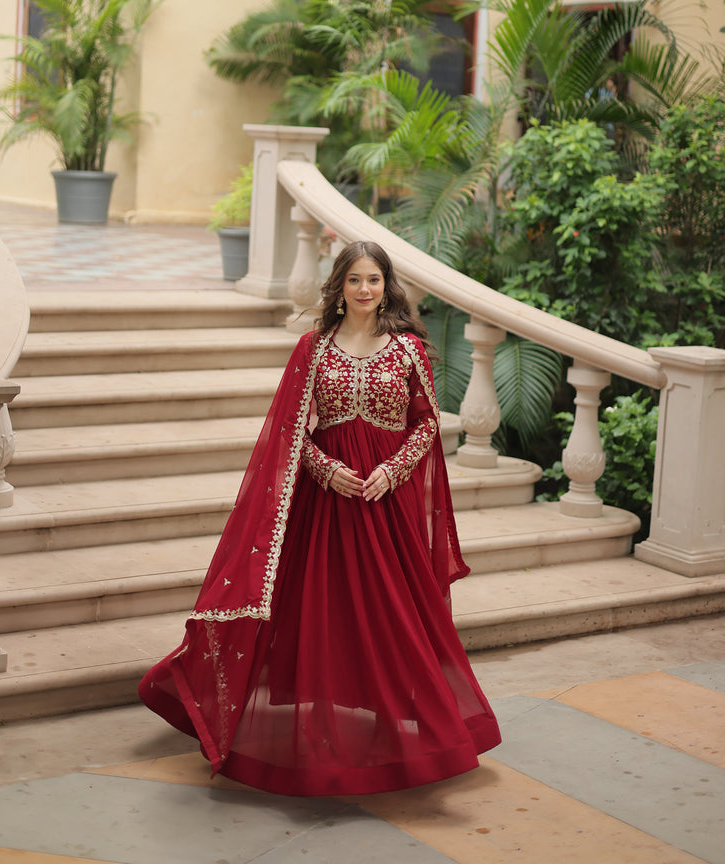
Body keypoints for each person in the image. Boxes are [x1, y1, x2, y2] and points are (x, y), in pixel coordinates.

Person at [138, 240, 501, 795]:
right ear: (340, 286)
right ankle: (316, 730)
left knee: (395, 613)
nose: (363, 290)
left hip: (384, 507)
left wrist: (394, 470)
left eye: (373, 280)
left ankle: (408, 731)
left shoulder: (407, 350)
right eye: (354, 280)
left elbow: (426, 426)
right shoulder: (314, 348)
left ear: (387, 287)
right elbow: (289, 432)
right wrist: (325, 468)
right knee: (320, 610)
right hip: (325, 505)